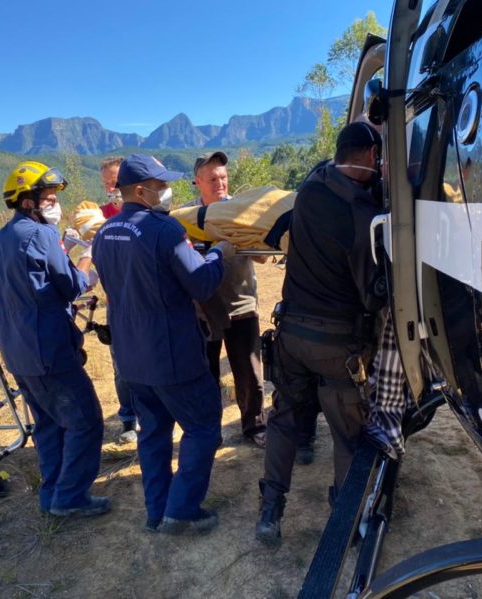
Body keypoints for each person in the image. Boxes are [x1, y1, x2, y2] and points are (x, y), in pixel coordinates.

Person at [255, 122, 385, 546]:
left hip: (290, 333)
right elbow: (371, 296)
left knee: (285, 420)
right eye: (377, 159)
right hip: (336, 346)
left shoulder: (310, 192)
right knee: (349, 435)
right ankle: (346, 523)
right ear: (368, 156)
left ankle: (269, 513)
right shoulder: (362, 216)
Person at [93, 154, 235, 535]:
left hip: (131, 356)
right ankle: (182, 510)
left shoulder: (105, 233)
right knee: (204, 426)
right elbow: (202, 283)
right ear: (140, 191)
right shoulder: (165, 230)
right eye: (160, 186)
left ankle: (156, 511)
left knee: (153, 432)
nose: (166, 192)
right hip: (172, 354)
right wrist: (220, 253)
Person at [0, 161, 109, 518]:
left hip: (18, 348)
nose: (54, 204)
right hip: (48, 349)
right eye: (49, 197)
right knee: (85, 420)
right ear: (28, 202)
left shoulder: (2, 238)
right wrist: (86, 256)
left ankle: (52, 493)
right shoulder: (40, 236)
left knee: (49, 423)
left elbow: (36, 280)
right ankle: (70, 497)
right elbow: (73, 286)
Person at [192, 151, 267, 448]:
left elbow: (262, 258)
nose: (220, 183)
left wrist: (241, 239)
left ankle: (254, 426)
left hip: (241, 305)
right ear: (198, 182)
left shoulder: (242, 211)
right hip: (202, 310)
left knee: (249, 373)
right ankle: (211, 431)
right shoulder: (187, 216)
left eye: (223, 176)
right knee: (205, 374)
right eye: (212, 178)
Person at [99, 155, 138, 443]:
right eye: (106, 183)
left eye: (114, 181)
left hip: (146, 302)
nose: (111, 188)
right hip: (116, 305)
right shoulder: (99, 217)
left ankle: (151, 415)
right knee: (121, 366)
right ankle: (127, 420)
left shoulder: (145, 213)